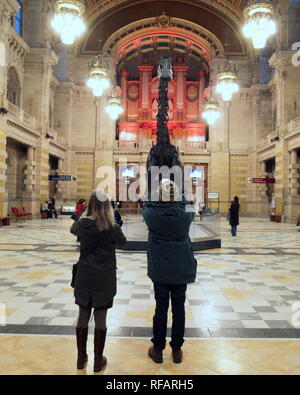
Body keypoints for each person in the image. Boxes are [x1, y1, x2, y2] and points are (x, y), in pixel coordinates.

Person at [142, 180, 197, 364]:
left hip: (160, 268)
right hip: (181, 267)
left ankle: (157, 349)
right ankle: (177, 349)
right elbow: (190, 205)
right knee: (179, 309)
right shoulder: (186, 214)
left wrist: (154, 197)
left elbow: (145, 205)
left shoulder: (151, 214)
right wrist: (181, 196)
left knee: (161, 309)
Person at [72, 190, 127, 372]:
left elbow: (73, 230)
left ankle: (81, 358)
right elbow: (123, 243)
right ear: (107, 205)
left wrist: (84, 214)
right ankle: (97, 360)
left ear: (90, 204)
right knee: (101, 316)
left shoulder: (82, 224)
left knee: (83, 314)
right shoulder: (112, 227)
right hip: (104, 276)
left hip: (85, 274)